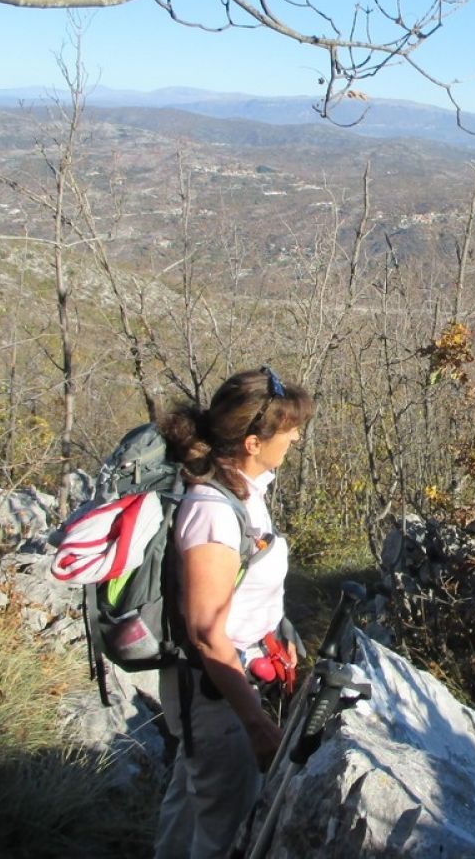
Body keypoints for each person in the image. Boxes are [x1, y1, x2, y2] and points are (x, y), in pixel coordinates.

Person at [153, 366, 314, 859]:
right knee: (223, 835)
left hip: (226, 688)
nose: (296, 438)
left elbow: (245, 587)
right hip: (218, 696)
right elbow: (207, 632)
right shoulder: (213, 512)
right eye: (289, 430)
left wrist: (276, 630)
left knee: (190, 806)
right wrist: (255, 722)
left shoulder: (245, 494)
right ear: (252, 442)